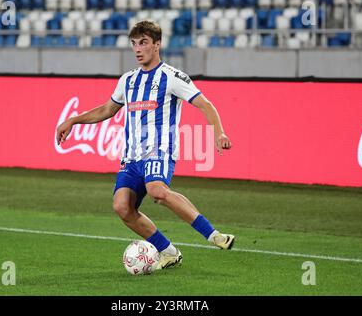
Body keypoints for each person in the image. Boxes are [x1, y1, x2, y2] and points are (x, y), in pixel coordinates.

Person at [56, 20, 235, 270]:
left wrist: (219, 133)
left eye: (144, 43)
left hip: (159, 150)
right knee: (121, 207)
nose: (138, 49)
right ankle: (169, 251)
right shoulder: (128, 80)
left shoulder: (172, 77)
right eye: (134, 44)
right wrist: (74, 120)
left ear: (157, 44)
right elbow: (108, 109)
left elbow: (205, 104)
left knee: (157, 190)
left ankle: (213, 234)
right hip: (132, 156)